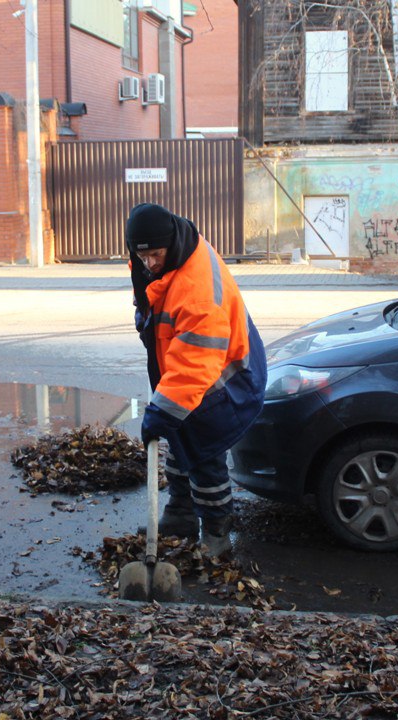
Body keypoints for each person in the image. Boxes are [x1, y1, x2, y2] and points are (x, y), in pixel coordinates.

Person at [126, 202, 266, 557]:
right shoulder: (162, 256)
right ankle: (180, 515)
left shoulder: (197, 290)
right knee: (179, 438)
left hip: (223, 381)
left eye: (156, 256)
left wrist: (160, 413)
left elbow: (195, 365)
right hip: (189, 371)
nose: (150, 264)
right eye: (142, 257)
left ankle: (217, 532)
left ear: (169, 245)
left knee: (204, 454)